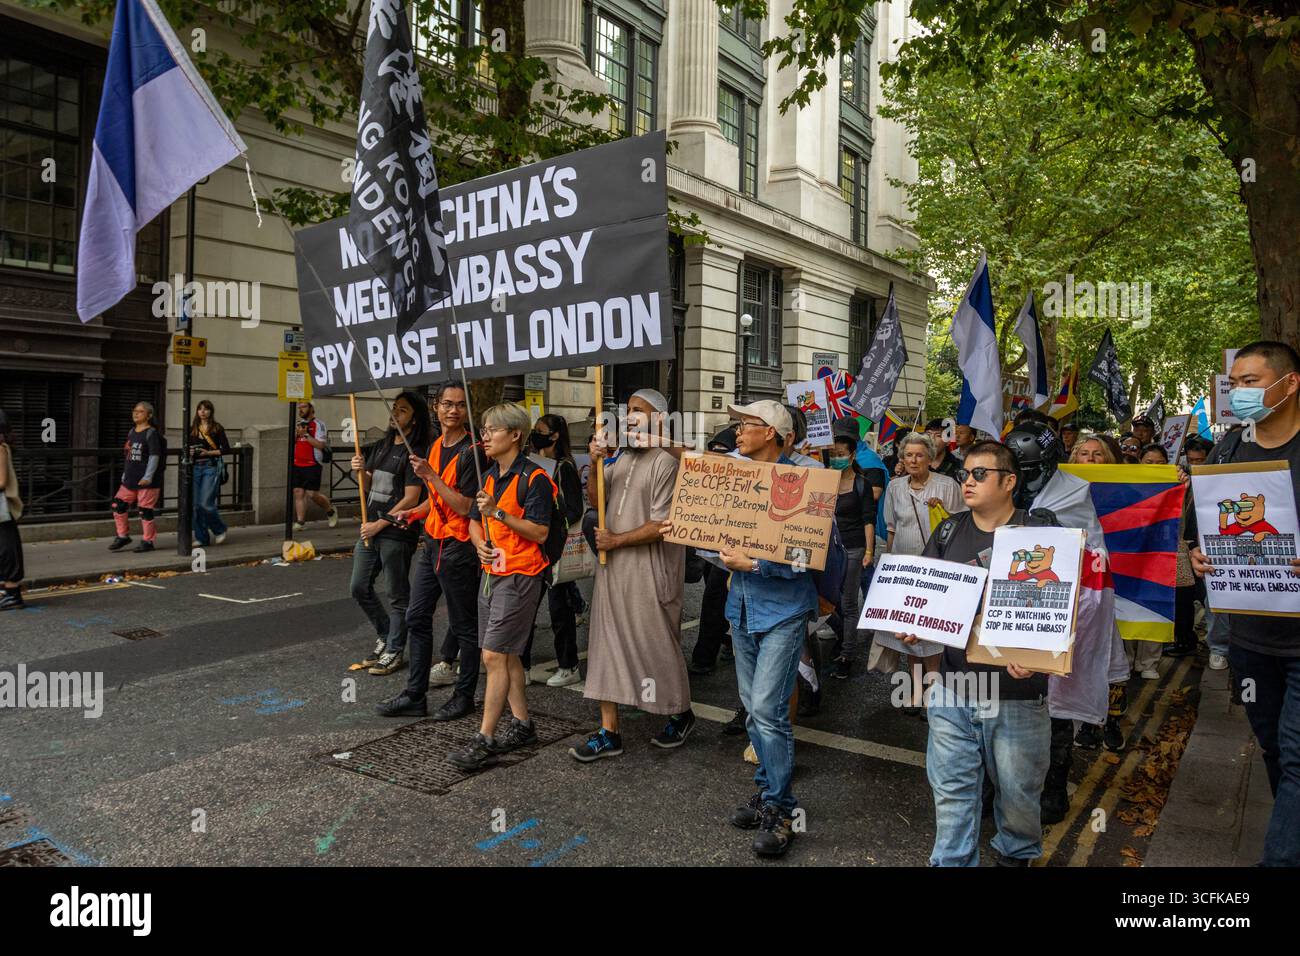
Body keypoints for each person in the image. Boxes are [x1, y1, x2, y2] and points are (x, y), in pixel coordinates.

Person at [667, 400, 817, 858]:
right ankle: (767, 791)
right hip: (743, 607)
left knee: (769, 712)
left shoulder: (804, 483)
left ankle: (782, 809)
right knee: (754, 710)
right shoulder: (735, 474)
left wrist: (753, 562)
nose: (737, 431)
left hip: (782, 611)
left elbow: (803, 557)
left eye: (747, 424)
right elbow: (717, 533)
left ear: (771, 432)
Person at [907, 439, 1059, 866]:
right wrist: (913, 623)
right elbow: (925, 593)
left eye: (979, 474)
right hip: (953, 685)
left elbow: (1066, 607)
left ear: (1009, 481)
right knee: (952, 789)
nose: (967, 481)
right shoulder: (948, 530)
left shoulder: (1042, 534)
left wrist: (1038, 653)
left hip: (1017, 693)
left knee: (1018, 796)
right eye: (963, 474)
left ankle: (1015, 856)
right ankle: (952, 861)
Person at [1189, 341, 1300, 866]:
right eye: (1234, 383)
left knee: (1298, 754)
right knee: (1275, 749)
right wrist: (1197, 554)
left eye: (1251, 381)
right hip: (1250, 641)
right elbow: (1201, 525)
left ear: (1288, 384)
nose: (1239, 393)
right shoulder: (1228, 450)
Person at [570, 389, 695, 761]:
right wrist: (595, 463)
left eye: (638, 411)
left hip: (651, 567)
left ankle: (679, 710)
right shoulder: (621, 456)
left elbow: (662, 525)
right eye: (627, 411)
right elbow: (597, 501)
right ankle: (610, 731)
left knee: (653, 642)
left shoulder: (667, 462)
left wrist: (616, 540)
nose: (629, 416)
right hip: (615, 566)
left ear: (660, 419)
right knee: (605, 643)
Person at [447, 403, 556, 769]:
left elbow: (540, 532)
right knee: (504, 655)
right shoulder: (490, 476)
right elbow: (476, 522)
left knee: (492, 656)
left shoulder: (535, 478)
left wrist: (498, 513)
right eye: (484, 430)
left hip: (521, 576)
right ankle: (523, 724)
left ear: (515, 435)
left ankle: (485, 737)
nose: (485, 437)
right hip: (492, 575)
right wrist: (479, 541)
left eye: (492, 430)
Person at [377, 382, 481, 720]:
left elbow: (465, 507)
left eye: (461, 405)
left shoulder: (473, 451)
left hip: (459, 547)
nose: (453, 410)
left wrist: (431, 476)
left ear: (468, 411)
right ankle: (415, 694)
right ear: (436, 407)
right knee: (416, 616)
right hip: (432, 544)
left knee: (464, 626)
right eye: (447, 404)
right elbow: (435, 502)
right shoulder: (437, 445)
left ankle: (464, 696)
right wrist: (413, 512)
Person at [875, 431, 965, 713]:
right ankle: (915, 691)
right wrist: (887, 564)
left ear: (930, 458)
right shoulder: (895, 487)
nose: (914, 460)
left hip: (937, 570)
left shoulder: (948, 485)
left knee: (933, 635)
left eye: (919, 455)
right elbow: (892, 527)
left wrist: (944, 510)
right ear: (902, 458)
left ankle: (935, 694)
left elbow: (961, 524)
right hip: (904, 569)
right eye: (908, 455)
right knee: (908, 633)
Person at [348, 391, 431, 677]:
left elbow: (411, 497)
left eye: (403, 411)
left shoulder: (415, 453)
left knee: (397, 593)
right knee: (358, 586)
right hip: (369, 527)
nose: (395, 414)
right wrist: (360, 471)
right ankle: (385, 634)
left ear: (415, 418)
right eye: (394, 409)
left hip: (396, 531)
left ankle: (394, 650)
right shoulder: (382, 446)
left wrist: (381, 523)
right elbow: (369, 487)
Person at [524, 413, 586, 687]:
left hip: (556, 548)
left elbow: (575, 510)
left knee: (559, 611)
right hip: (534, 547)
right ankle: (521, 665)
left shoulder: (564, 468)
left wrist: (551, 519)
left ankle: (568, 665)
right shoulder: (533, 464)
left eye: (540, 430)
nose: (535, 434)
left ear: (555, 435)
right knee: (524, 609)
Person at [827, 433, 882, 679]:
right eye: (833, 454)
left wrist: (869, 551)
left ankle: (847, 654)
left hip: (853, 548)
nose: (836, 458)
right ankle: (842, 638)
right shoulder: (823, 480)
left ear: (851, 456)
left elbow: (868, 520)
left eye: (841, 454)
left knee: (849, 603)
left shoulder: (862, 483)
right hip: (828, 551)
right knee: (827, 600)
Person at [690, 425, 739, 680]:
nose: (717, 456)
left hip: (731, 554)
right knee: (718, 601)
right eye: (714, 451)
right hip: (709, 552)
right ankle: (727, 641)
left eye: (724, 452)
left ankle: (704, 657)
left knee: (714, 600)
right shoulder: (708, 477)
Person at [108, 402, 166, 554]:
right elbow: (128, 454)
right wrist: (125, 473)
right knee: (117, 505)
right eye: (135, 411)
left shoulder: (151, 433)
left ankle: (148, 540)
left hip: (147, 481)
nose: (136, 413)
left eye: (140, 411)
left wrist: (148, 476)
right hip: (130, 479)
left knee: (145, 510)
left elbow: (155, 456)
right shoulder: (132, 431)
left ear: (149, 415)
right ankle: (123, 536)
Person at [190, 400, 231, 548]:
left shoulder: (217, 428)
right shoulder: (193, 429)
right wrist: (191, 451)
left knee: (205, 503)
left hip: (210, 467)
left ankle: (219, 529)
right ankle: (201, 538)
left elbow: (226, 449)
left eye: (206, 409)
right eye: (200, 409)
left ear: (211, 411)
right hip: (195, 468)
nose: (202, 411)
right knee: (195, 505)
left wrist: (208, 452)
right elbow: (187, 448)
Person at [291, 401, 337, 531]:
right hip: (297, 463)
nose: (301, 409)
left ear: (311, 409)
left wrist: (305, 435)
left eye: (304, 407)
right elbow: (294, 442)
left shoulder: (319, 425)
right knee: (298, 492)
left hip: (313, 463)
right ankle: (300, 522)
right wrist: (297, 434)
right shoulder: (298, 424)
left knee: (312, 494)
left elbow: (320, 445)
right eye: (299, 407)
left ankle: (330, 511)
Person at [0, 410, 24, 611]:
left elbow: (1, 481)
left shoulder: (0, 448)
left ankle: (12, 594)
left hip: (2, 507)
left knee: (7, 547)